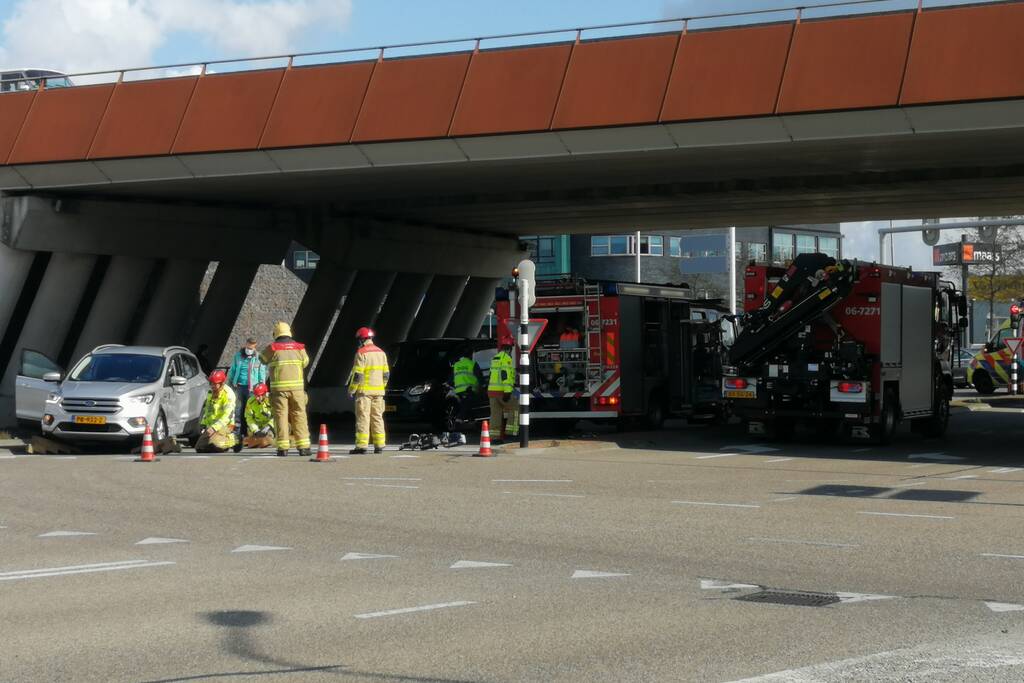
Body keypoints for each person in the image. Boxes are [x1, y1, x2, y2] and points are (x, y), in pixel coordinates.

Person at [259, 321, 311, 458]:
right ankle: (304, 447)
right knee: (299, 415)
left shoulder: (273, 348)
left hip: (279, 389)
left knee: (281, 417)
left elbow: (262, 359)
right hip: (297, 389)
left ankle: (283, 448)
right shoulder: (299, 348)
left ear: (276, 333)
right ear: (289, 332)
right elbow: (305, 362)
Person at [348, 326, 390, 454]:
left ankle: (361, 446)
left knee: (363, 418)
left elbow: (357, 375)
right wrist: (381, 386)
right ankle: (379, 445)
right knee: (377, 417)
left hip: (364, 392)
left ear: (362, 339)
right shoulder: (381, 352)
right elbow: (386, 374)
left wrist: (352, 389)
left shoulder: (361, 353)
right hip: (379, 392)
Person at [227, 337, 267, 453]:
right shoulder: (238, 356)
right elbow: (233, 370)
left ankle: (248, 434)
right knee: (238, 410)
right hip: (239, 386)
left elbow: (262, 373)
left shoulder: (258, 357)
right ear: (246, 344)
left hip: (252, 389)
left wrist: (262, 387)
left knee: (249, 411)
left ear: (255, 346)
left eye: (252, 347)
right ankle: (238, 434)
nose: (250, 349)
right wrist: (230, 383)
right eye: (248, 347)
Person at [195, 370, 237, 453]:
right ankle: (218, 440)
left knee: (215, 446)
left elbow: (227, 416)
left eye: (215, 384)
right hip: (211, 426)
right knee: (199, 448)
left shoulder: (229, 395)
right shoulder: (211, 392)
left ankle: (233, 439)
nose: (212, 386)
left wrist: (214, 428)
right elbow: (208, 410)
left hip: (225, 426)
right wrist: (203, 424)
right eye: (211, 383)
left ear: (221, 384)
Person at [488, 335, 518, 444]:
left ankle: (494, 438)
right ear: (509, 348)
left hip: (492, 391)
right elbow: (504, 375)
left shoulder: (495, 358)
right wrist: (507, 391)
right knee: (515, 408)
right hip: (502, 391)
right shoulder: (507, 359)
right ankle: (511, 434)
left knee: (495, 414)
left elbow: (492, 374)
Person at [452, 345, 483, 421]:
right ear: (471, 355)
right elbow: (480, 378)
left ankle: (471, 420)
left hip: (458, 391)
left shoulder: (456, 365)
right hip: (469, 390)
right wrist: (482, 385)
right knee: (471, 403)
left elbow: (452, 378)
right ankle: (459, 420)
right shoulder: (472, 364)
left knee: (466, 405)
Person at [243, 382, 275, 448]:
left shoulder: (271, 400)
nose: (257, 398)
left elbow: (276, 416)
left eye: (260, 395)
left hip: (269, 426)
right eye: (256, 395)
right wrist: (255, 430)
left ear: (264, 394)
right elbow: (249, 418)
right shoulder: (250, 401)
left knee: (266, 440)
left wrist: (268, 426)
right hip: (257, 426)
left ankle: (268, 439)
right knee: (251, 443)